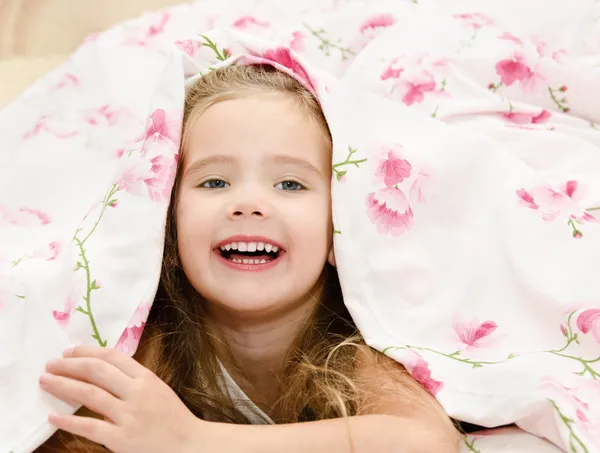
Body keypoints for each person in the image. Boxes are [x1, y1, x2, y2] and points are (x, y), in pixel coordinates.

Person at [37, 64, 460, 453]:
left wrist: (193, 440)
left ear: (342, 230)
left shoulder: (357, 343)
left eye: (291, 184)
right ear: (164, 219)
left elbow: (425, 441)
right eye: (215, 180)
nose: (249, 203)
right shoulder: (151, 345)